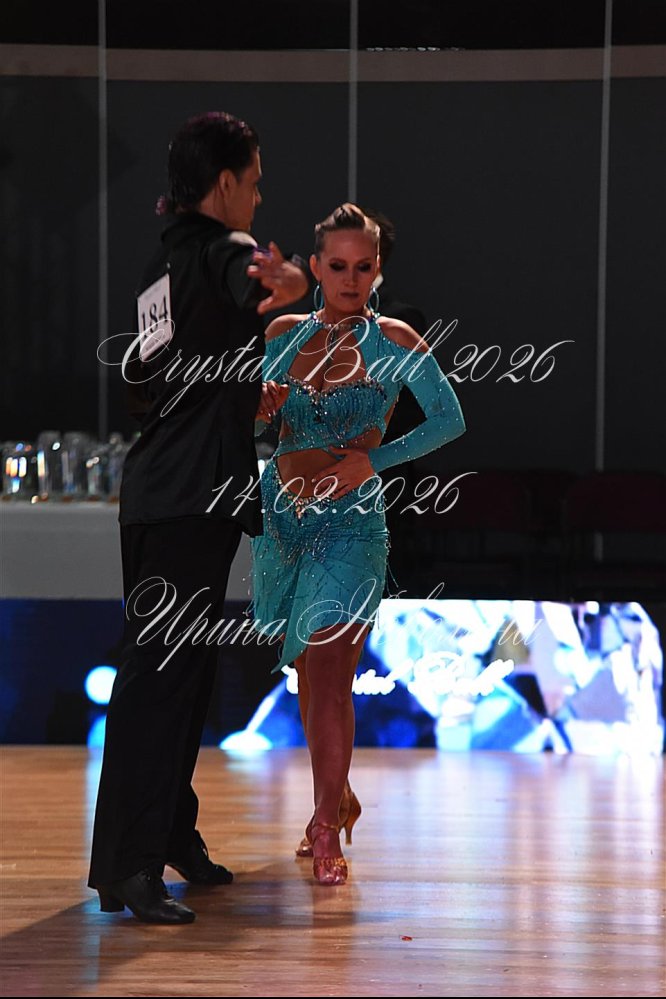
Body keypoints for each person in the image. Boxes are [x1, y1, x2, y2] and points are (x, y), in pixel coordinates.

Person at [87, 111, 308, 924]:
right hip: (186, 498)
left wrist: (238, 394)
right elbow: (256, 279)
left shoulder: (161, 265)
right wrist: (290, 285)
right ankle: (127, 865)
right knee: (159, 683)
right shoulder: (222, 249)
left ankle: (168, 833)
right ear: (224, 184)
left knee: (181, 677)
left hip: (159, 491)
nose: (258, 196)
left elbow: (146, 382)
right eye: (253, 182)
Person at [248, 203, 466, 885]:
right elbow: (248, 421)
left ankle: (322, 826)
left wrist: (373, 461)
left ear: (378, 270)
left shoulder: (396, 340)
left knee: (330, 666)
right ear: (315, 268)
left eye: (363, 267)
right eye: (337, 266)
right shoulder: (281, 334)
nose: (350, 279)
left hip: (351, 523)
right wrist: (257, 408)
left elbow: (450, 419)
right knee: (310, 675)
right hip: (283, 519)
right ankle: (336, 797)